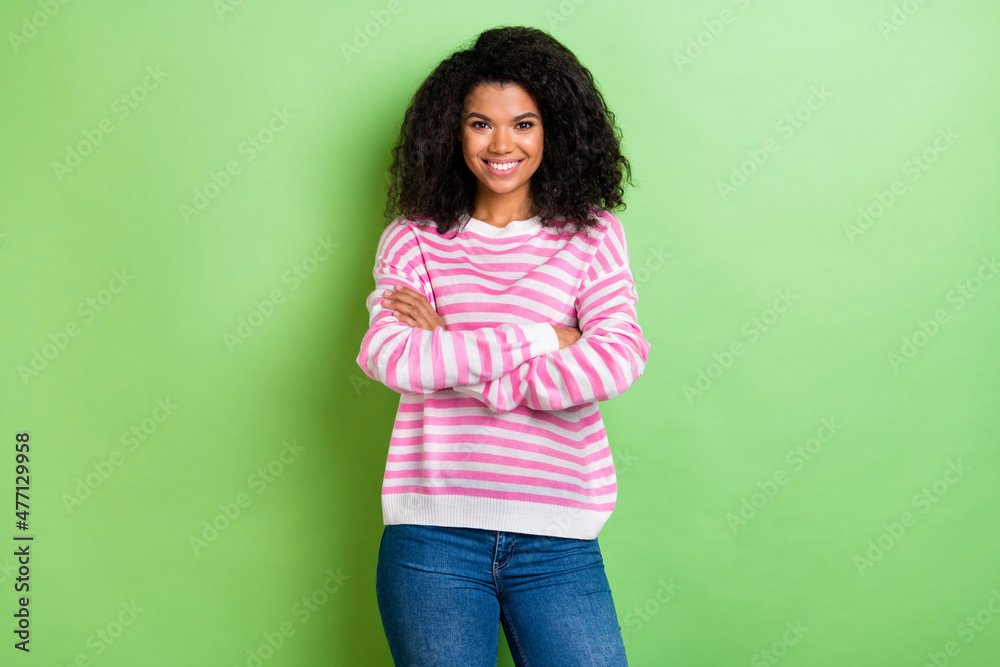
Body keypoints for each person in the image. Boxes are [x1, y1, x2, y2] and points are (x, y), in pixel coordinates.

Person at [356, 25, 650, 667]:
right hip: (431, 537)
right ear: (452, 132)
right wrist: (547, 338)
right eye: (479, 123)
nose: (501, 144)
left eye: (523, 123)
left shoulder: (592, 236)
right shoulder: (413, 239)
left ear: (554, 129)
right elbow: (390, 357)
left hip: (559, 539)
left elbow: (616, 358)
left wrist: (455, 358)